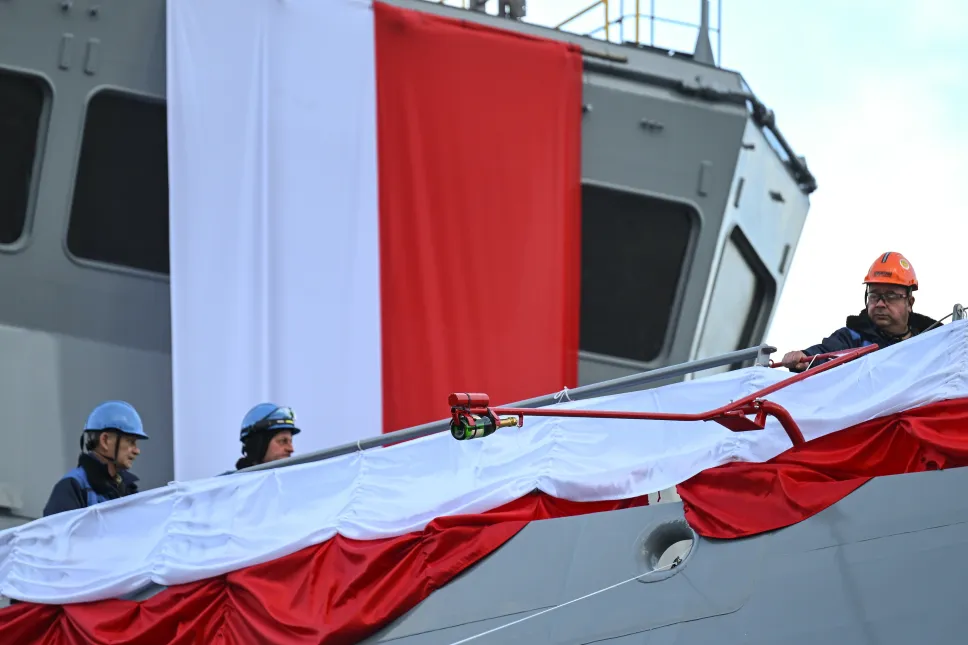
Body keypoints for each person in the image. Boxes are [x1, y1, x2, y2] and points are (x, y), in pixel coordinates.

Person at [780, 252, 940, 371]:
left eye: (890, 295)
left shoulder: (932, 342)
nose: (880, 304)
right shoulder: (852, 338)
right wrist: (805, 358)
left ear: (910, 302)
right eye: (874, 295)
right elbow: (826, 354)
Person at [43, 400, 149, 517]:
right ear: (105, 440)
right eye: (130, 441)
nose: (137, 451)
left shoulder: (128, 489)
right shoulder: (72, 487)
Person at [232, 403, 300, 471]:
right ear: (257, 444)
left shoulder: (295, 477)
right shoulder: (232, 478)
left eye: (291, 442)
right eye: (283, 441)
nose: (291, 449)